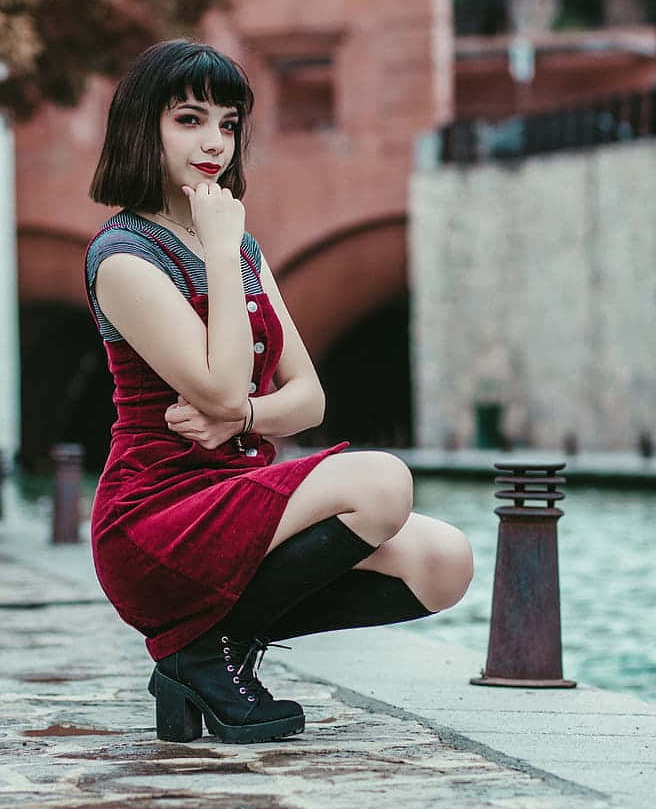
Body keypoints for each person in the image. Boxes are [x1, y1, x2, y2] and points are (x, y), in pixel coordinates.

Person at [85, 39, 473, 745]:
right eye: (190, 120)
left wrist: (245, 415)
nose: (214, 143)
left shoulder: (242, 245)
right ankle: (200, 652)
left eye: (228, 124)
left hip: (240, 496)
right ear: (144, 126)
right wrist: (221, 252)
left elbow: (307, 398)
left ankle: (211, 649)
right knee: (383, 481)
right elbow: (224, 381)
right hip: (156, 520)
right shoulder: (123, 257)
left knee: (445, 561)